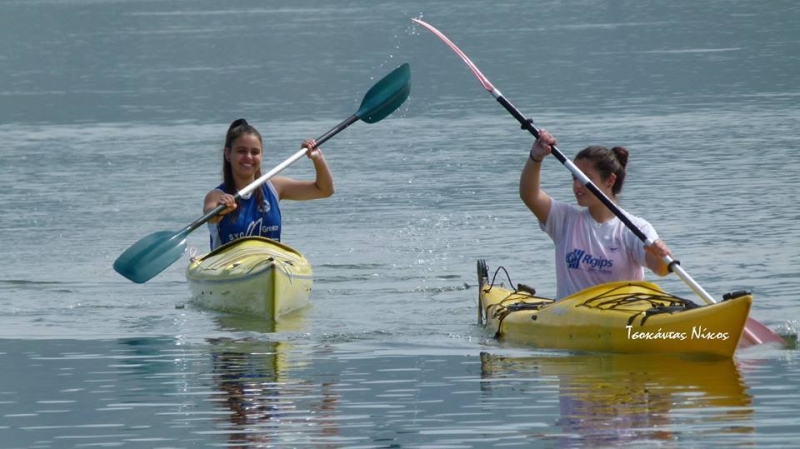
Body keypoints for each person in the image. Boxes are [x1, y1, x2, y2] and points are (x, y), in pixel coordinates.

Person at [520, 129, 672, 299]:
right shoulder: (565, 220)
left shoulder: (636, 228)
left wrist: (661, 256)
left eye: (585, 178)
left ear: (610, 180)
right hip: (569, 312)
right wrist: (536, 157)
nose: (577, 185)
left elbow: (660, 268)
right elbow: (530, 195)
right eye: (574, 178)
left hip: (619, 311)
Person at [204, 118, 334, 250]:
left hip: (271, 259)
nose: (248, 157)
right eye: (241, 151)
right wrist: (220, 209)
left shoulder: (274, 187)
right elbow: (211, 215)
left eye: (255, 152)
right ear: (227, 154)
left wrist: (317, 158)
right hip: (230, 261)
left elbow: (324, 190)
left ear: (261, 155)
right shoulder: (216, 196)